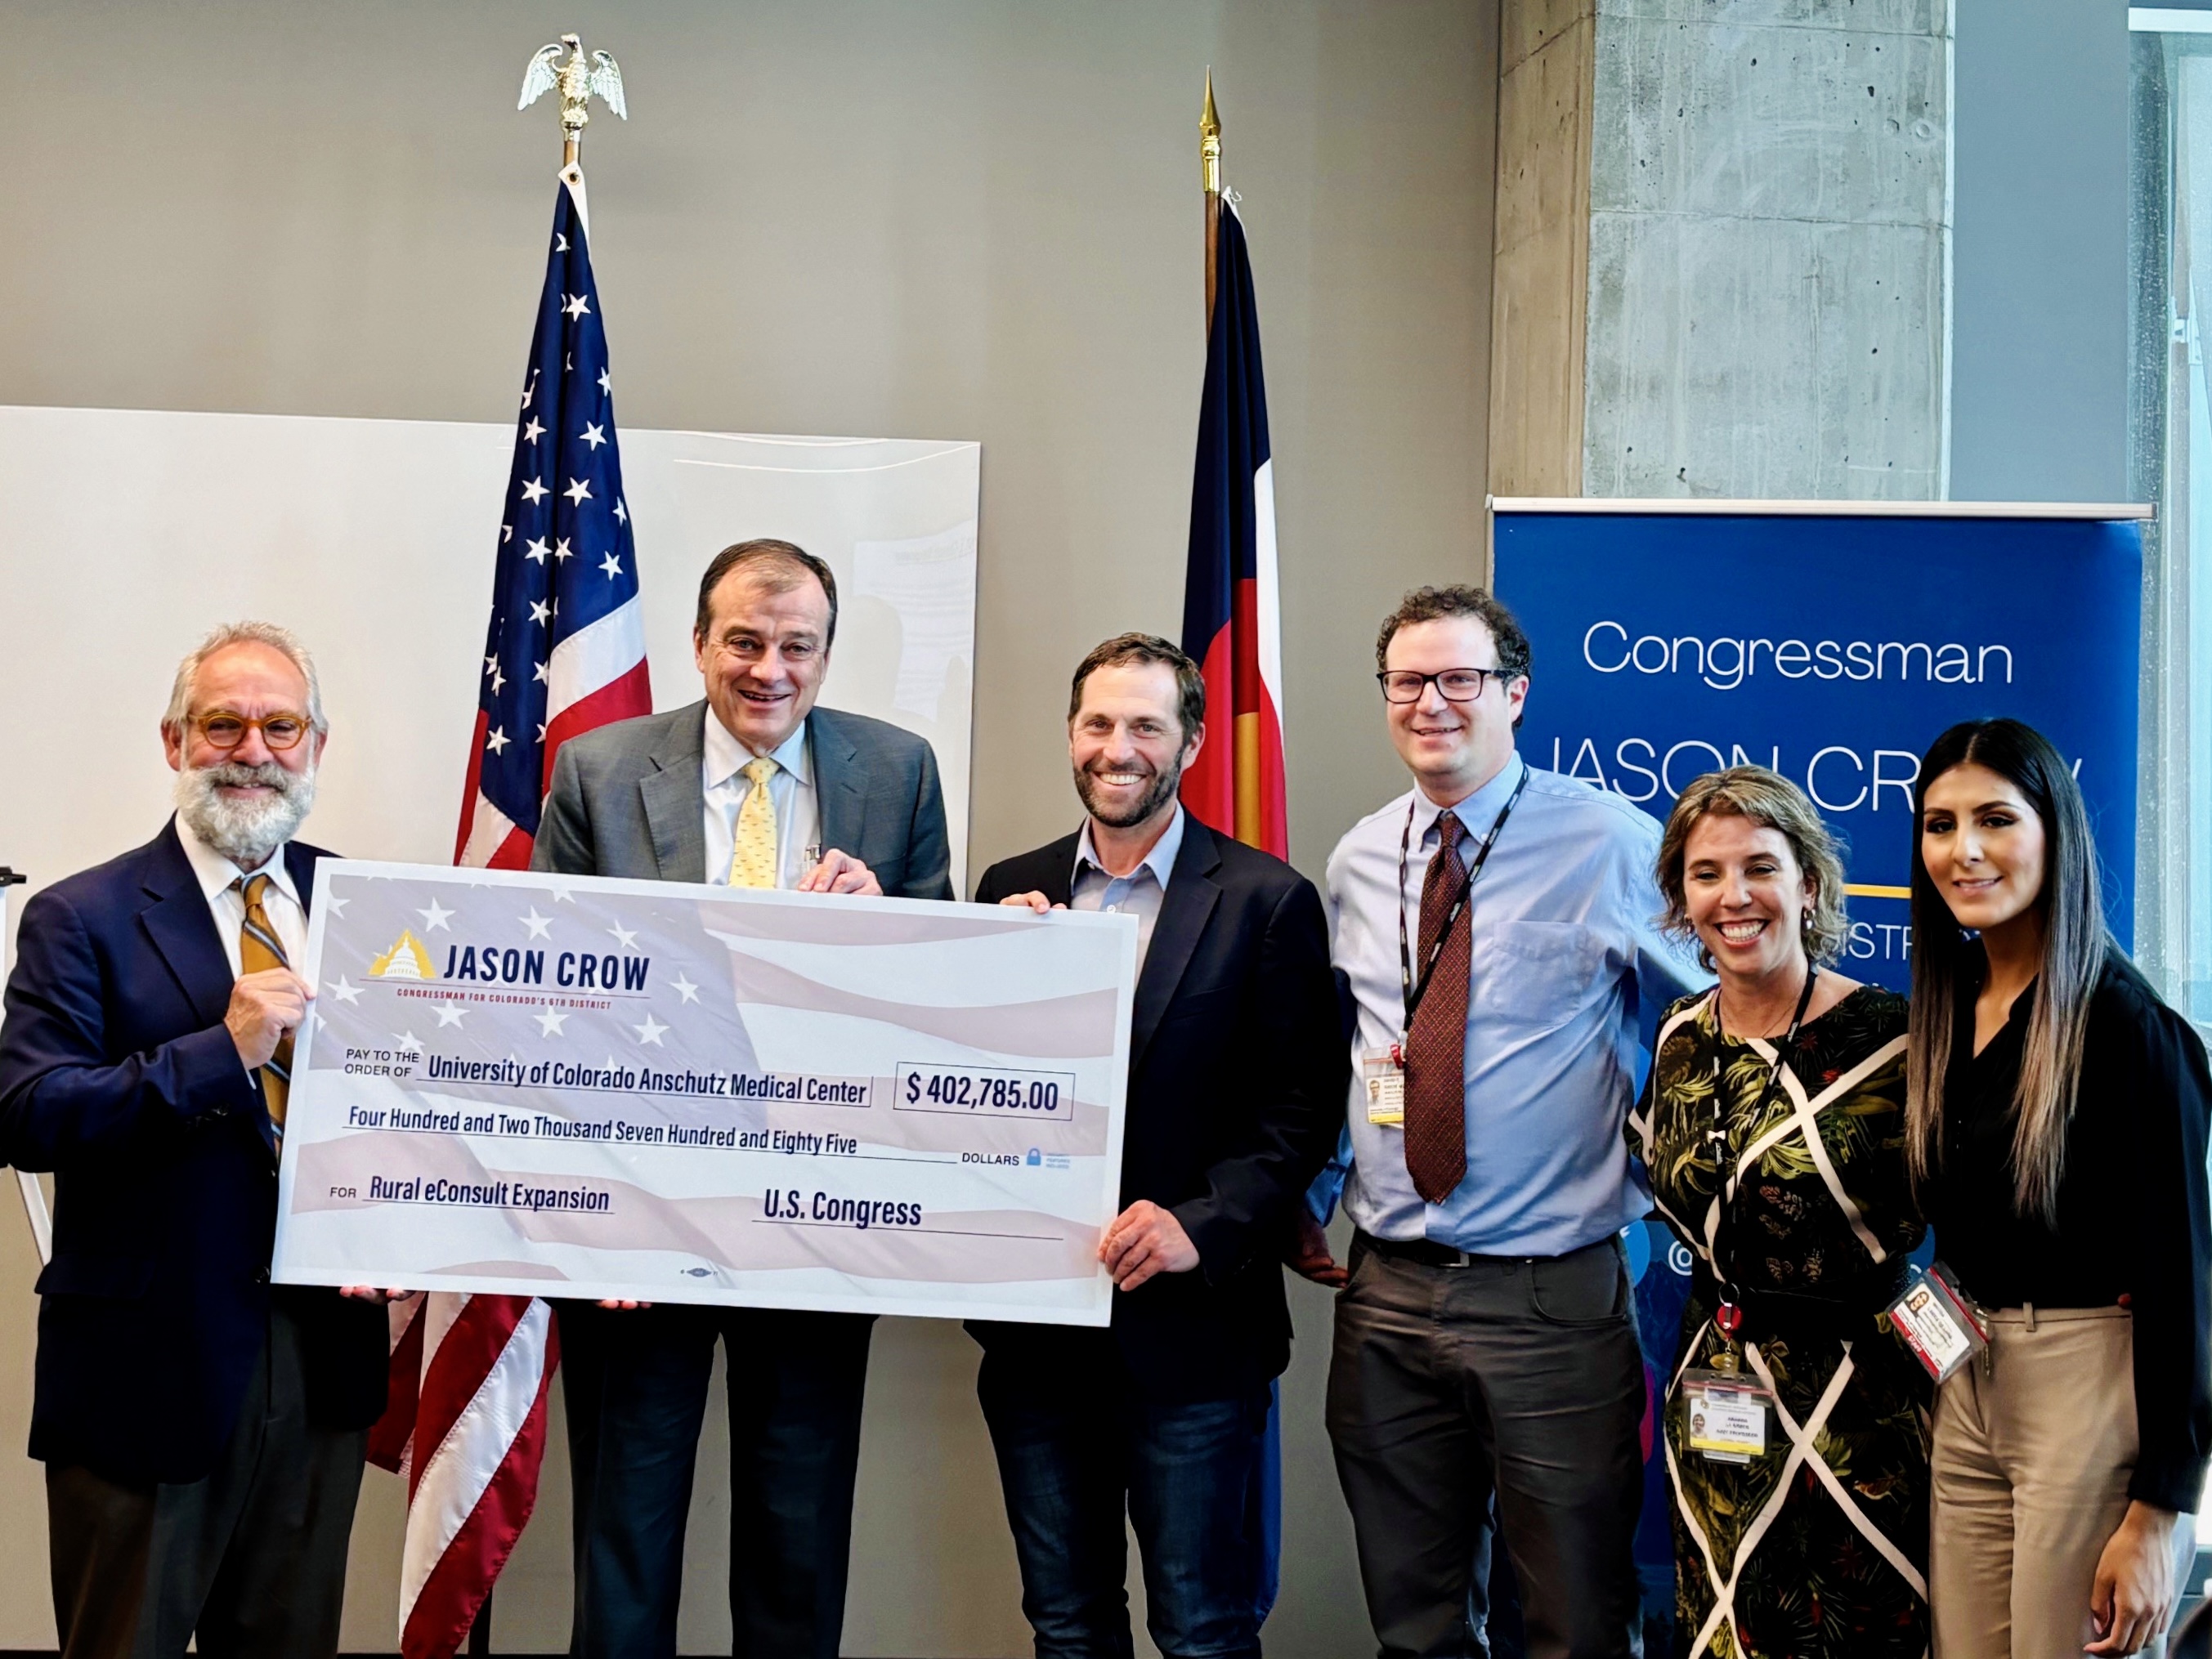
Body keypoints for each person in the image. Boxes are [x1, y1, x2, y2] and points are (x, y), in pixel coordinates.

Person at [534, 538, 953, 1658]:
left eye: (796, 645)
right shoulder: (597, 769)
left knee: (797, 1535)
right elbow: (550, 1009)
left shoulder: (899, 769)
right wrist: (598, 1220)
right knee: (624, 1533)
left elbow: (946, 988)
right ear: (699, 644)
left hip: (815, 1221)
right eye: (745, 641)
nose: (770, 668)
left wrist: (888, 924)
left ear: (824, 652)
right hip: (641, 1226)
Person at [1314, 584, 1696, 1659]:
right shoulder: (1355, 858)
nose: (1430, 701)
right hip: (1385, 1290)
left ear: (1513, 694)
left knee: (1574, 1620)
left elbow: (1716, 1023)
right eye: (1406, 681)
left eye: (1459, 678)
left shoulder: (1612, 845)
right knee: (1415, 1621)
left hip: (1549, 1297)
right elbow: (1346, 1047)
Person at [0, 621, 393, 1659]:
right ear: (175, 742)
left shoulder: (371, 910)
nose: (252, 749)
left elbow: (413, 1118)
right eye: (223, 723)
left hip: (320, 1366)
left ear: (316, 745)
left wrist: (410, 1233)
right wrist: (220, 1049)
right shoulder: (80, 915)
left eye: (280, 725)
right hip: (144, 1367)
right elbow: (31, 1112)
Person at [969, 633, 1346, 1659]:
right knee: (1066, 1622)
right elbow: (958, 1101)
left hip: (1195, 1333)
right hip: (1039, 1334)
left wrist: (1202, 1225)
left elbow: (1303, 1108)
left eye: (1146, 724)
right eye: (1099, 722)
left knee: (1203, 1626)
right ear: (1071, 734)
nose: (1118, 746)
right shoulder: (1010, 888)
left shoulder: (1268, 899)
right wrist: (988, 977)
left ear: (1186, 744)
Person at [1908, 718, 2211, 1659]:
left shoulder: (2127, 1027)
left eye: (1995, 819)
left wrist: (2163, 1509)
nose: (1964, 851)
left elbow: (2184, 1281)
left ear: (2054, 832)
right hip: (1966, 1380)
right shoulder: (1948, 1001)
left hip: (2085, 1385)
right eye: (1940, 823)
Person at [1626, 766, 1928, 1656]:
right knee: (1725, 1630)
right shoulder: (1681, 1031)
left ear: (1808, 882)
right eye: (1706, 872)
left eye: (1760, 865)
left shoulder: (1895, 1035)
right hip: (1714, 1393)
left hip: (1857, 1415)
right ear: (1682, 896)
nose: (1734, 895)